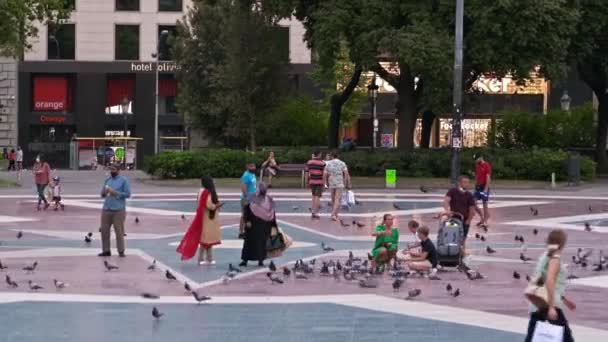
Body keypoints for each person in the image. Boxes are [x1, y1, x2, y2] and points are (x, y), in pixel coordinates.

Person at [525, 229, 575, 342]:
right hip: (550, 304)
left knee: (532, 337)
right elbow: (550, 280)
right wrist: (552, 307)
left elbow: (545, 280)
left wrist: (564, 299)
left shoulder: (544, 257)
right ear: (562, 243)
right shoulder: (555, 259)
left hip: (538, 303)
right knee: (566, 338)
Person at [177, 176, 222, 265]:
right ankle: (203, 258)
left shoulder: (201, 192)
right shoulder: (207, 192)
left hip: (203, 216)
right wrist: (217, 206)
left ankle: (208, 258)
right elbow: (209, 205)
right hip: (208, 218)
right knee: (206, 239)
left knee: (207, 238)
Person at [99, 164, 131, 257]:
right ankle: (106, 250)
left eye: (114, 169)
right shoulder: (107, 180)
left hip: (118, 209)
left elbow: (128, 194)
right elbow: (102, 194)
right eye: (110, 169)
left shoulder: (123, 180)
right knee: (104, 231)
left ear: (118, 170)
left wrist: (115, 192)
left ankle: (121, 251)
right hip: (106, 208)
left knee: (119, 231)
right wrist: (104, 192)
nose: (112, 171)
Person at [239, 183, 275, 267]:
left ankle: (256, 260)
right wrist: (246, 220)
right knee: (252, 243)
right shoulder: (255, 199)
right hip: (255, 225)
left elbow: (272, 212)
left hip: (259, 225)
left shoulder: (266, 199)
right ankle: (250, 260)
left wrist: (246, 221)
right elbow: (246, 210)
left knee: (257, 243)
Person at [443, 175, 476, 260]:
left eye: (468, 182)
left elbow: (472, 209)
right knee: (451, 237)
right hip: (453, 218)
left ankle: (461, 256)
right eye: (465, 182)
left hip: (464, 220)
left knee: (462, 239)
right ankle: (451, 254)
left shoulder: (469, 195)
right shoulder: (452, 191)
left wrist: (469, 220)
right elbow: (446, 201)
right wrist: (447, 210)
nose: (467, 184)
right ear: (459, 183)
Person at [323, 151, 351, 221]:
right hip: (339, 182)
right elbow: (346, 173)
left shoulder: (328, 163)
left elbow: (325, 174)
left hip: (331, 181)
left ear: (332, 156)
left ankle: (336, 214)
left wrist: (325, 183)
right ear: (337, 156)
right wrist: (346, 182)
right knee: (337, 199)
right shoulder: (342, 163)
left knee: (333, 199)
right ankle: (333, 214)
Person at [305, 150, 326, 219]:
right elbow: (324, 175)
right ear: (319, 154)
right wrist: (324, 183)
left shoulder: (309, 162)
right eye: (321, 154)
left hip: (312, 181)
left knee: (313, 196)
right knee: (317, 197)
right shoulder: (322, 163)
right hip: (319, 182)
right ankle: (316, 212)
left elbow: (307, 173)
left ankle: (313, 211)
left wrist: (306, 182)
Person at [239, 163, 257, 239]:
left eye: (254, 166)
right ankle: (241, 232)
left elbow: (253, 186)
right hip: (247, 199)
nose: (254, 167)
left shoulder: (252, 174)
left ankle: (250, 231)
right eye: (251, 166)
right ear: (247, 167)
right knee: (245, 215)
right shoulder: (246, 176)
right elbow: (243, 188)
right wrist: (247, 197)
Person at [473, 154, 492, 228]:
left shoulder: (486, 165)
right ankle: (482, 217)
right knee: (473, 202)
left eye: (477, 159)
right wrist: (475, 186)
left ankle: (485, 220)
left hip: (484, 186)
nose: (476, 161)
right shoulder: (477, 165)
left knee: (485, 203)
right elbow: (477, 176)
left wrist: (486, 189)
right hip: (478, 186)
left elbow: (488, 177)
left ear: (481, 158)